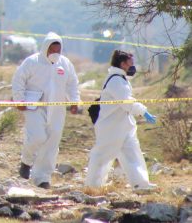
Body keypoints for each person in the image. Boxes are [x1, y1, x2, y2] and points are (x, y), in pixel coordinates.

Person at [11, 31, 80, 189]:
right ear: (45, 48)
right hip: (35, 105)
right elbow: (18, 79)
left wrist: (75, 102)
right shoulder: (32, 62)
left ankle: (42, 178)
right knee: (37, 137)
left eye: (58, 50)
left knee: (52, 142)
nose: (55, 53)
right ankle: (26, 162)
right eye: (52, 49)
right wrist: (19, 99)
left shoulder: (65, 64)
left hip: (57, 108)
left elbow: (72, 84)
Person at [84, 50, 157, 191]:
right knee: (102, 156)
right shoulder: (116, 80)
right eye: (130, 63)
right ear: (122, 64)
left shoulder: (120, 78)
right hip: (110, 127)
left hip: (123, 126)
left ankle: (140, 184)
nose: (133, 67)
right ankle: (92, 186)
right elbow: (127, 102)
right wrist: (143, 111)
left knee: (132, 154)